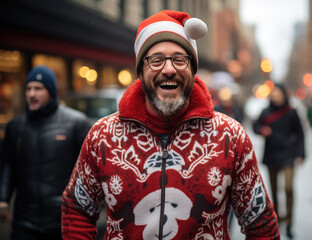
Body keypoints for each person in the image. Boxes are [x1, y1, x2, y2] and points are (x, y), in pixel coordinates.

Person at [61, 10, 280, 239]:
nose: (168, 69)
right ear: (141, 70)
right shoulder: (102, 136)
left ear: (192, 70)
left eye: (179, 59)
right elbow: (76, 209)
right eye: (156, 60)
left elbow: (260, 221)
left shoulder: (230, 136)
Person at [0, 65, 91, 239]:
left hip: (64, 219)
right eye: (28, 88)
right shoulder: (16, 126)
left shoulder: (76, 123)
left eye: (38, 88)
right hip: (24, 221)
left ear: (51, 91)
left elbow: (90, 168)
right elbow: (7, 165)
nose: (32, 94)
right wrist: (3, 199)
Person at [252, 83, 305, 239]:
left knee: (288, 188)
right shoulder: (266, 111)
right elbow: (256, 125)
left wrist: (301, 154)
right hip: (272, 154)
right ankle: (276, 218)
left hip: (288, 154)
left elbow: (300, 133)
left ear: (283, 95)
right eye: (273, 94)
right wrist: (262, 130)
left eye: (278, 93)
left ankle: (289, 222)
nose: (275, 96)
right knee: (273, 190)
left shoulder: (292, 112)